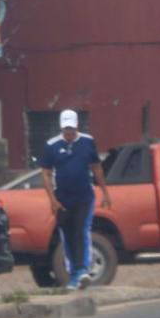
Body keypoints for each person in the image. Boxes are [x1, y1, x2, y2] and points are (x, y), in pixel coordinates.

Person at [40, 109, 112, 290]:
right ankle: (73, 274)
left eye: (71, 129)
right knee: (68, 235)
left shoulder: (87, 142)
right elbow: (46, 174)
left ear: (76, 126)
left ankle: (82, 271)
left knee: (82, 231)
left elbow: (96, 167)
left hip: (84, 196)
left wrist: (105, 192)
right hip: (62, 199)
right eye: (66, 129)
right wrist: (52, 200)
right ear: (61, 127)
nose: (69, 133)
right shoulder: (52, 145)